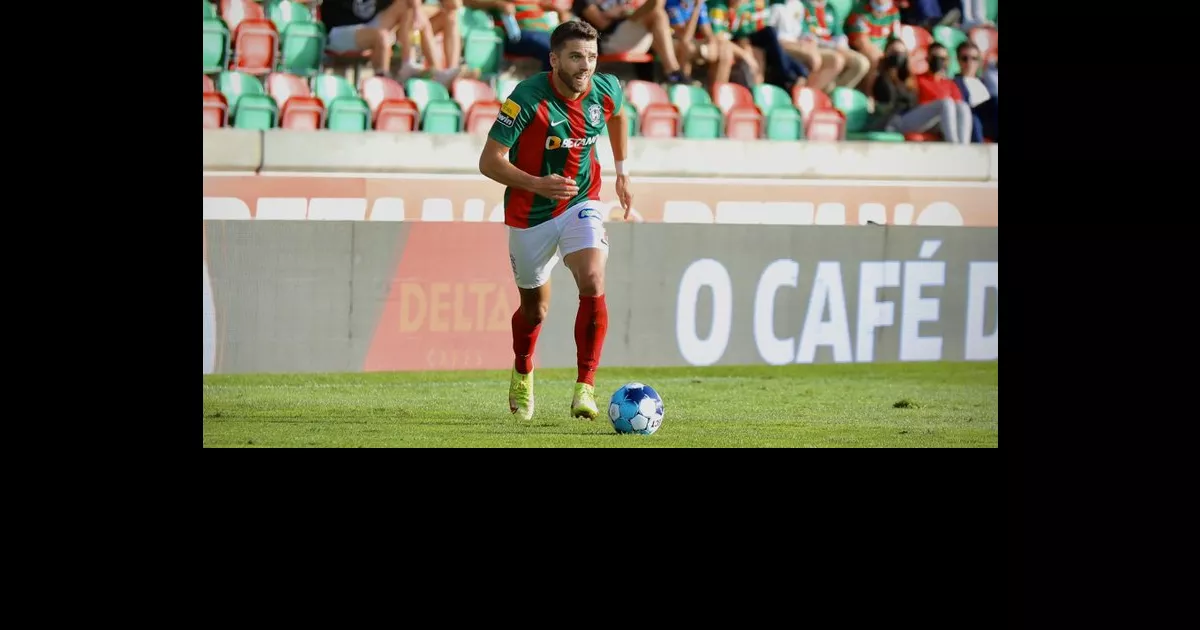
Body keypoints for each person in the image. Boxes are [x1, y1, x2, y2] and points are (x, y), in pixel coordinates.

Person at [477, 19, 633, 421]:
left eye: (593, 57)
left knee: (594, 280)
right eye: (576, 56)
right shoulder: (526, 98)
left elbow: (617, 116)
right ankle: (523, 369)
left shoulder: (605, 88)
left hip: (582, 201)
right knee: (535, 310)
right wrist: (537, 184)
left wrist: (623, 171)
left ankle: (585, 387)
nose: (586, 66)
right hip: (530, 214)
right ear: (554, 59)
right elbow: (489, 161)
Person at [324, 0, 465, 84]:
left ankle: (421, 67)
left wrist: (417, 10)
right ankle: (384, 84)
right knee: (382, 37)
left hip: (370, 25)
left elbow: (455, 5)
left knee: (408, 6)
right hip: (339, 30)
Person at [868, 38, 971, 143]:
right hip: (894, 121)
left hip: (913, 118)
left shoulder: (908, 79)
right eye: (894, 52)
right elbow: (884, 104)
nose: (898, 56)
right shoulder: (881, 78)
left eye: (901, 53)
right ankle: (954, 145)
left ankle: (964, 146)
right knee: (946, 103)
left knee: (963, 106)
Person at [573, 0, 690, 84]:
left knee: (658, 13)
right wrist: (620, 11)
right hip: (609, 42)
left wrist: (626, 11)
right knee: (657, 13)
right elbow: (602, 24)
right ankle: (673, 71)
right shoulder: (584, 2)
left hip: (636, 39)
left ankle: (674, 73)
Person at [463, 0, 555, 71]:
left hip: (544, 32)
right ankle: (551, 91)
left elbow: (539, 3)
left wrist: (555, 8)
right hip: (517, 35)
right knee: (554, 50)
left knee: (564, 45)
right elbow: (469, 1)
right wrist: (498, 4)